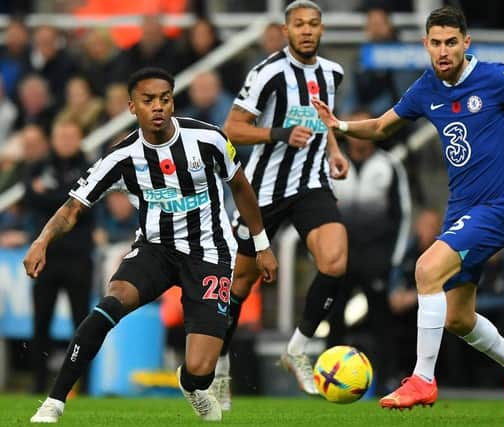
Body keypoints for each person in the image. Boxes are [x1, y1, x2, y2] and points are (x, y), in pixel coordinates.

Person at [312, 5, 504, 420]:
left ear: (466, 43)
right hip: (461, 209)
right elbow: (383, 126)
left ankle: (422, 379)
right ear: (426, 45)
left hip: (497, 207)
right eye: (436, 43)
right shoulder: (426, 88)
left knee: (426, 270)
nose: (443, 51)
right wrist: (341, 126)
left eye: (451, 42)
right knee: (458, 318)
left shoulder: (495, 78)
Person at [25, 67, 278, 423]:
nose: (158, 106)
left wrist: (262, 244)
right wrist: (42, 241)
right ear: (132, 107)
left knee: (200, 368)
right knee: (110, 304)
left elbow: (240, 187)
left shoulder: (209, 139)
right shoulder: (121, 157)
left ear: (173, 101)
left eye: (165, 98)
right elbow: (73, 208)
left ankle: (192, 384)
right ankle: (54, 402)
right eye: (148, 100)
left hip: (209, 254)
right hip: (156, 249)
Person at [210, 0, 349, 411]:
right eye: (298, 24)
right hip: (264, 191)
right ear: (286, 31)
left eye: (313, 24)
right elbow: (231, 128)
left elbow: (324, 118)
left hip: (310, 184)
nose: (306, 31)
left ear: (322, 30)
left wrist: (334, 150)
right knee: (239, 284)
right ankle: (218, 374)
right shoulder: (268, 72)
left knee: (336, 261)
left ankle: (298, 349)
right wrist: (278, 134)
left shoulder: (332, 72)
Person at [327, 110, 412, 394]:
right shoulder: (331, 164)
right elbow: (317, 210)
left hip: (377, 257)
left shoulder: (389, 165)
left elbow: (404, 214)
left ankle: (387, 381)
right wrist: (321, 251)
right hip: (340, 254)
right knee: (334, 318)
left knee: (381, 322)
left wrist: (393, 260)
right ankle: (330, 377)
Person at [23, 119, 96, 395]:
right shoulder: (38, 166)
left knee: (84, 324)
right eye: (60, 136)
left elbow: (85, 206)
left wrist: (52, 196)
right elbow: (32, 198)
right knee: (40, 323)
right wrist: (67, 198)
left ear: (80, 138)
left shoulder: (91, 167)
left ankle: (85, 386)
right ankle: (38, 385)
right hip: (47, 257)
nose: (65, 141)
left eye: (70, 135)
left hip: (79, 257)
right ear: (52, 139)